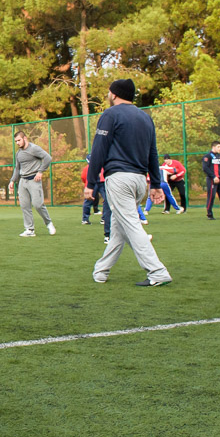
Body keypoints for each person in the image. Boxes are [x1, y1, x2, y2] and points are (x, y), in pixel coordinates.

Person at [85, 79, 172, 286]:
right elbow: (153, 152)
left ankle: (157, 271)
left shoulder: (110, 114)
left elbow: (99, 149)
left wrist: (91, 182)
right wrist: (156, 184)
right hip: (140, 180)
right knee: (118, 228)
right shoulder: (145, 117)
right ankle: (101, 271)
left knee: (131, 226)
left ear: (114, 94)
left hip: (119, 179)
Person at [9, 131, 55, 237]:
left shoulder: (34, 148)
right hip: (22, 181)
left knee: (38, 205)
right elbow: (17, 168)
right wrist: (12, 180)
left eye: (19, 140)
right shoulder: (18, 153)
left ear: (25, 138)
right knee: (25, 206)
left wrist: (40, 172)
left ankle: (48, 223)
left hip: (34, 180)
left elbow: (48, 158)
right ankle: (29, 229)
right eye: (15, 141)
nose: (17, 143)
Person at [80, 157, 102, 225]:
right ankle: (85, 219)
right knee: (89, 199)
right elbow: (83, 177)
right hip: (95, 183)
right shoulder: (88, 168)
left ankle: (86, 218)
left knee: (107, 199)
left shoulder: (89, 167)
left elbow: (83, 177)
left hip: (100, 182)